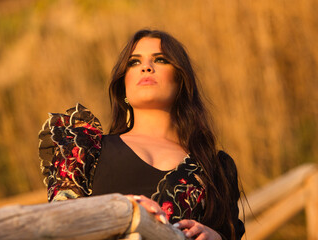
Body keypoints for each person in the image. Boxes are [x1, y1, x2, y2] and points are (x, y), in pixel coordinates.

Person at [38, 29, 245, 240]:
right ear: (123, 85)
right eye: (134, 62)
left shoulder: (215, 167)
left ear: (181, 80)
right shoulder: (83, 146)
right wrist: (125, 210)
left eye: (161, 60)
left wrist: (216, 237)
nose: (146, 67)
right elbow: (58, 223)